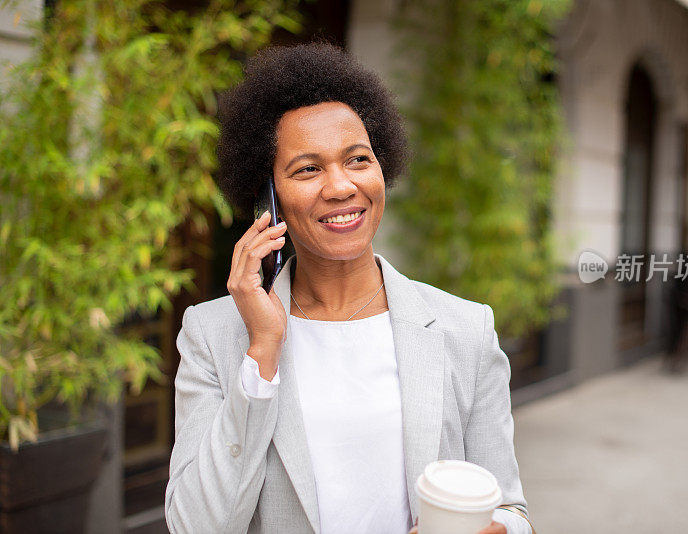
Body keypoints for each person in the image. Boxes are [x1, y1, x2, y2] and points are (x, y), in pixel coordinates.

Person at [164, 41, 534, 534]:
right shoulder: (213, 336)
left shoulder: (465, 329)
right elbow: (195, 527)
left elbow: (509, 508)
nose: (340, 186)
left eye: (358, 159)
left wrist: (502, 530)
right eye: (308, 168)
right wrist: (262, 351)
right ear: (267, 197)